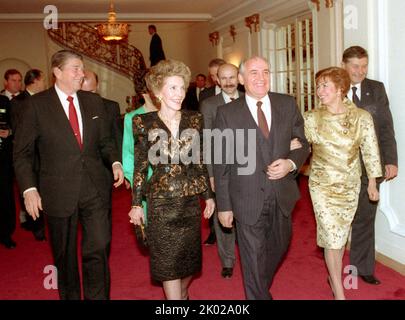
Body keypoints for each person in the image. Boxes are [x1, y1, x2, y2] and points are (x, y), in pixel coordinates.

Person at [13, 49, 124, 300]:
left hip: (95, 187)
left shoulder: (94, 102)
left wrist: (115, 161)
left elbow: (106, 141)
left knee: (99, 246)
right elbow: (22, 154)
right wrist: (29, 189)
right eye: (75, 69)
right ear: (57, 72)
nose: (81, 74)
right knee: (64, 256)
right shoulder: (35, 106)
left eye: (82, 69)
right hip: (57, 190)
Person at [214, 56, 309, 299]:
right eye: (254, 72)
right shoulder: (226, 113)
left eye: (265, 71)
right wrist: (224, 206)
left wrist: (290, 163)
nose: (261, 77)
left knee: (279, 246)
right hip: (245, 197)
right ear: (242, 79)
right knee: (253, 256)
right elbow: (221, 163)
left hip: (282, 195)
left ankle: (258, 285)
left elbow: (303, 144)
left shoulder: (286, 104)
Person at [128, 59, 215, 300]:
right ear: (158, 92)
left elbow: (199, 160)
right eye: (172, 88)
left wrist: (207, 196)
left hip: (189, 204)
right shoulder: (142, 122)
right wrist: (136, 203)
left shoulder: (194, 119)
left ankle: (183, 294)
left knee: (189, 264)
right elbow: (140, 166)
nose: (179, 94)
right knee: (167, 264)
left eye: (182, 87)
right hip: (161, 204)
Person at [303, 67, 382, 300]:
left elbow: (370, 152)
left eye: (325, 85)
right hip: (322, 186)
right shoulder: (311, 118)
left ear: (340, 89)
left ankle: (334, 276)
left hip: (349, 185)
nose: (319, 91)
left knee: (340, 238)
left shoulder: (361, 117)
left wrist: (373, 183)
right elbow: (299, 147)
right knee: (331, 236)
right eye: (318, 86)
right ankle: (339, 290)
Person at [342, 46, 398, 285]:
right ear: (344, 65)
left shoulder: (376, 89)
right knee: (341, 220)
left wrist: (391, 160)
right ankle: (335, 271)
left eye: (364, 65)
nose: (360, 71)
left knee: (365, 218)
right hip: (341, 168)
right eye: (355, 65)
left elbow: (385, 126)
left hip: (370, 168)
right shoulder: (333, 88)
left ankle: (361, 269)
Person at [200, 63, 243, 278]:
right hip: (221, 168)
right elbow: (207, 142)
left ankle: (248, 255)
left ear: (239, 77)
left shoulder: (249, 98)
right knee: (223, 214)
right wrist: (211, 174)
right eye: (223, 78)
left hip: (248, 168)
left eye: (232, 77)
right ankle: (227, 260)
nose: (228, 82)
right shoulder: (209, 105)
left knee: (246, 214)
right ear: (217, 80)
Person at [11, 69, 46, 241]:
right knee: (32, 189)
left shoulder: (45, 99)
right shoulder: (18, 102)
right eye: (43, 80)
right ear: (36, 81)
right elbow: (19, 131)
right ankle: (37, 226)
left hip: (46, 154)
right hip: (30, 156)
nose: (45, 83)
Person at [81, 70, 123, 158]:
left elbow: (117, 139)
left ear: (97, 86)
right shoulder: (71, 107)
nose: (88, 97)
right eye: (83, 93)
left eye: (91, 91)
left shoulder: (111, 107)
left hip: (105, 163)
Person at [0, 95, 16, 249]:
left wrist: (9, 131)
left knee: (5, 196)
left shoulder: (4, 101)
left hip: (3, 159)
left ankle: (5, 233)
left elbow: (15, 123)